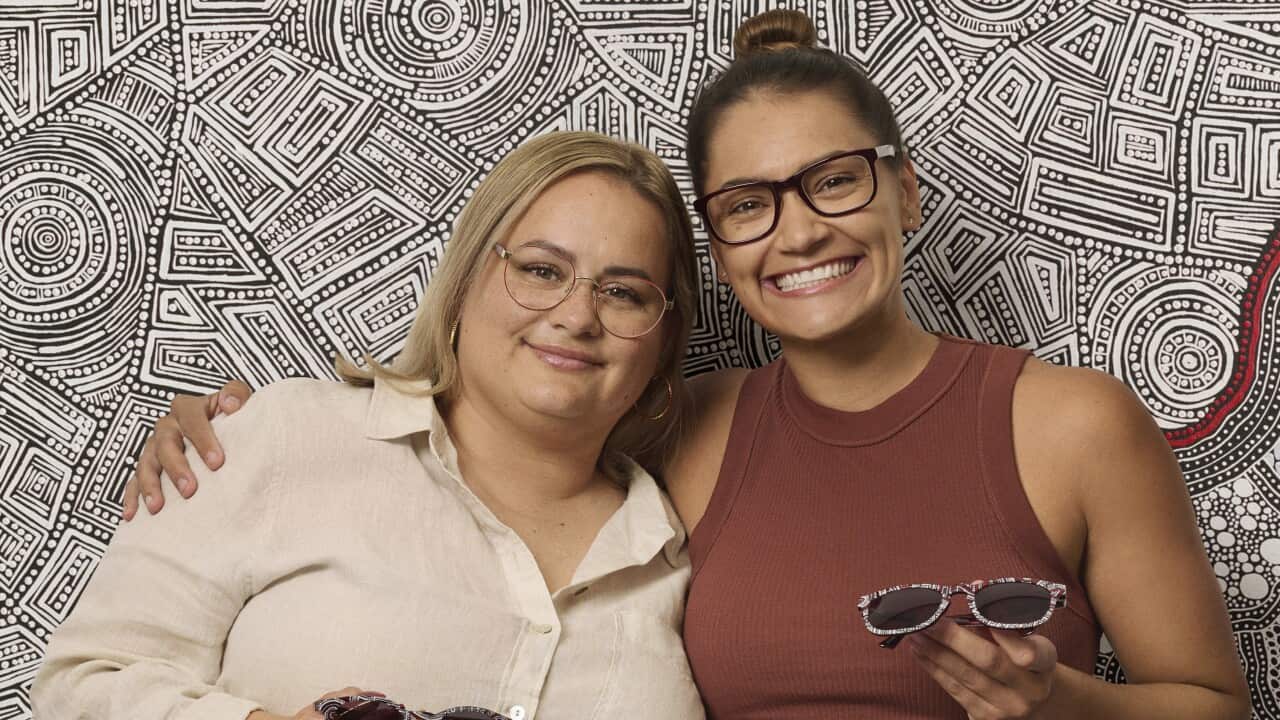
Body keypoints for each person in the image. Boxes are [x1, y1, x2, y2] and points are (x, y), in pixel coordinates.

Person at [118, 10, 1251, 720]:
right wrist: (235, 428)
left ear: (903, 188)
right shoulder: (681, 432)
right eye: (748, 205)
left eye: (835, 180)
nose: (797, 232)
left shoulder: (1071, 425)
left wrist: (1054, 706)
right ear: (715, 246)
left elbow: (1211, 704)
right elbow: (487, 442)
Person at [31, 131, 706, 720]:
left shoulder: (677, 552)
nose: (577, 314)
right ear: (466, 278)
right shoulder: (286, 435)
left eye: (623, 292)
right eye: (540, 269)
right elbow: (78, 689)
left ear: (664, 334)